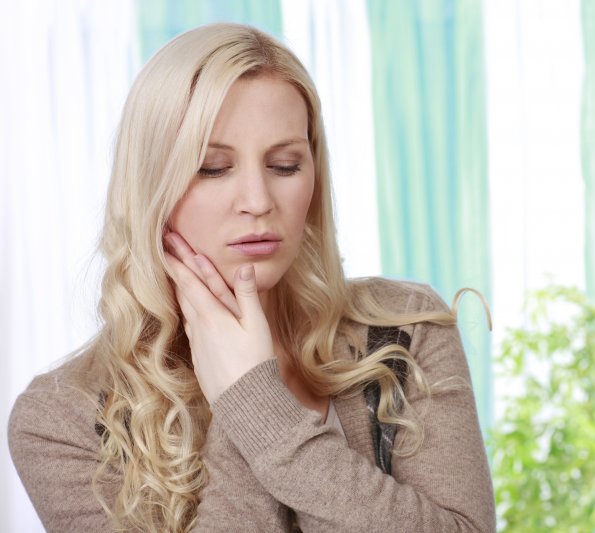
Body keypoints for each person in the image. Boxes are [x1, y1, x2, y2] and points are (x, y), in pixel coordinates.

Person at [7, 22, 494, 533]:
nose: (259, 202)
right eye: (213, 168)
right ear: (150, 185)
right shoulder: (60, 421)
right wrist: (246, 401)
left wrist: (258, 404)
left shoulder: (404, 333)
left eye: (285, 165)